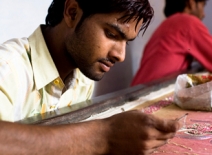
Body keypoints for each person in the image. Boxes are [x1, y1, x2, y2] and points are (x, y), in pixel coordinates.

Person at [0, 0, 180, 154]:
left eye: (126, 42)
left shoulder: (82, 79)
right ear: (72, 13)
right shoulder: (7, 69)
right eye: (111, 34)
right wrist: (103, 136)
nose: (120, 55)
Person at [131, 0, 212, 86]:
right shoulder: (188, 22)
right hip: (151, 94)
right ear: (191, 3)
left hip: (137, 90)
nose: (203, 14)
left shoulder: (166, 25)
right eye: (202, 6)